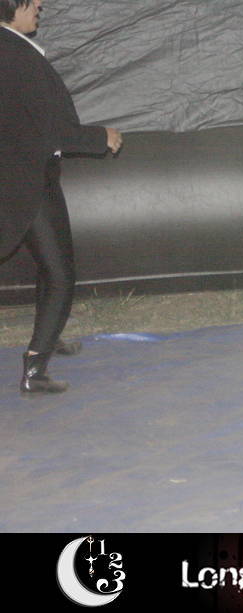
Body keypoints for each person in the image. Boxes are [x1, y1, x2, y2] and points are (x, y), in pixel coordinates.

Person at [0, 0, 123, 393]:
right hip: (27, 180)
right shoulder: (15, 55)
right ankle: (35, 369)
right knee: (60, 274)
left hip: (19, 175)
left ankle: (47, 340)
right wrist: (101, 137)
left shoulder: (12, 49)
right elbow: (49, 129)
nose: (39, 3)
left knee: (48, 266)